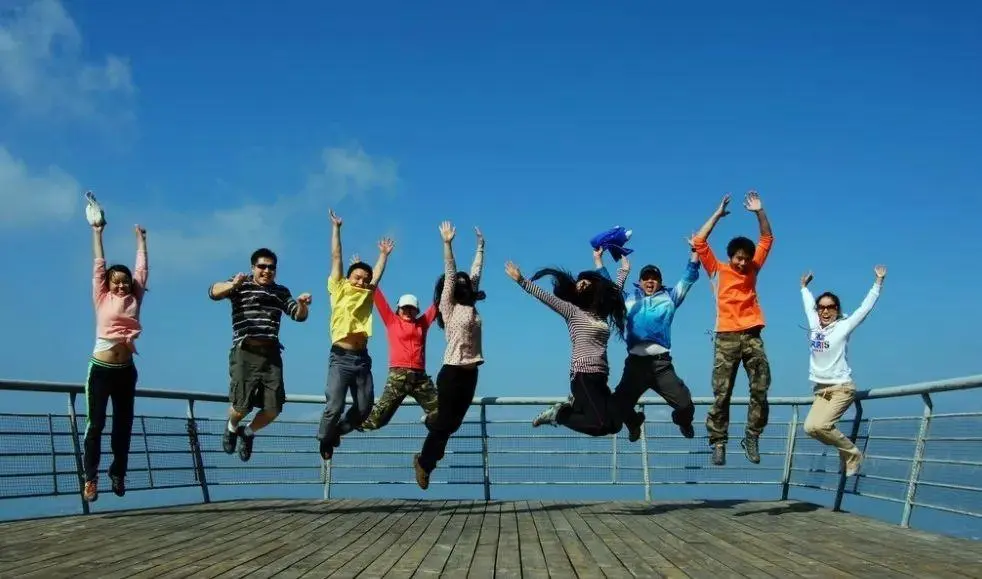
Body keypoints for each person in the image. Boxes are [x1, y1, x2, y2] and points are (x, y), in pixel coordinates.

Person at [691, 190, 773, 466]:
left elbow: (767, 239)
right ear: (730, 257)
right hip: (725, 336)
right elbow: (699, 241)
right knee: (722, 392)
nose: (742, 262)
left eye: (746, 258)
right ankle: (718, 441)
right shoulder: (717, 269)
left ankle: (752, 436)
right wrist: (717, 215)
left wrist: (759, 212)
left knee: (760, 387)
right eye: (738, 258)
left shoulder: (753, 270)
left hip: (752, 334)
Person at [505, 257, 627, 437]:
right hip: (583, 374)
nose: (582, 285)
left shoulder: (601, 314)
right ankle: (559, 414)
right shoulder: (573, 312)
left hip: (601, 375)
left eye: (586, 283)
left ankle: (575, 405)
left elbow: (614, 292)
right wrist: (522, 280)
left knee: (615, 425)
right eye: (580, 284)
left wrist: (623, 271)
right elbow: (546, 298)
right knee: (599, 424)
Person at [209, 248, 311, 463]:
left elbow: (298, 316)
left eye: (271, 267)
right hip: (245, 352)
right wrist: (233, 285)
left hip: (271, 355)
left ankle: (247, 433)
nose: (267, 271)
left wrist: (302, 304)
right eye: (262, 266)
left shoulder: (280, 291)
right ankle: (231, 427)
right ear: (253, 267)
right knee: (241, 406)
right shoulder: (241, 283)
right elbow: (213, 292)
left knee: (273, 409)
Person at [597, 241, 700, 443]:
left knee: (685, 405)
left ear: (660, 282)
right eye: (646, 278)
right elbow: (608, 287)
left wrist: (695, 252)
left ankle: (683, 422)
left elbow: (688, 277)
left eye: (654, 278)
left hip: (661, 365)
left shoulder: (670, 297)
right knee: (617, 406)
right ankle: (634, 423)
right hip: (635, 366)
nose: (650, 281)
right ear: (640, 281)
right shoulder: (628, 299)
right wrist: (598, 260)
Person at [413, 222, 485, 490]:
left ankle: (432, 427)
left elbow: (475, 273)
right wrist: (447, 244)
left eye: (467, 283)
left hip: (471, 373)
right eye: (460, 283)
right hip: (452, 372)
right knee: (444, 424)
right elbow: (452, 273)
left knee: (452, 425)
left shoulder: (471, 305)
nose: (464, 283)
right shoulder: (449, 306)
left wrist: (481, 247)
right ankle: (424, 462)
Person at [317, 209, 393, 460]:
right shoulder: (338, 288)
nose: (361, 282)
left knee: (364, 408)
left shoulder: (368, 294)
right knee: (334, 406)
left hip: (361, 359)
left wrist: (383, 255)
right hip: (340, 357)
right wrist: (336, 229)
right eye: (357, 277)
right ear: (348, 277)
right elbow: (336, 256)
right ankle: (325, 439)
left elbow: (377, 275)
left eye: (364, 279)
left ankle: (336, 432)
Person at [83, 222, 149, 502]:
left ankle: (118, 473)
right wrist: (97, 233)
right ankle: (90, 478)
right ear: (107, 284)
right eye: (116, 281)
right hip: (101, 371)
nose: (121, 285)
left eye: (125, 281)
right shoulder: (102, 297)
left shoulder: (135, 298)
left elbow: (142, 270)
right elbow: (99, 264)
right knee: (95, 425)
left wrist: (141, 240)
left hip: (125, 371)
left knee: (123, 426)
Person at [800, 265, 886, 476]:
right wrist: (804, 288)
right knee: (810, 428)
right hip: (821, 390)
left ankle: (853, 454)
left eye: (830, 307)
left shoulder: (843, 326)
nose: (825, 311)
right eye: (821, 307)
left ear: (837, 309)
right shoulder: (814, 325)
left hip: (841, 388)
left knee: (822, 426)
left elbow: (864, 309)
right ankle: (846, 452)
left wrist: (878, 282)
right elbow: (808, 305)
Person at [358, 282, 440, 432]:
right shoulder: (391, 320)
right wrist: (371, 278)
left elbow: (438, 305)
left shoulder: (422, 324)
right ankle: (342, 428)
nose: (408, 311)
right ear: (398, 309)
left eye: (412, 308)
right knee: (377, 420)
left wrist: (465, 292)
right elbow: (378, 295)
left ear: (417, 311)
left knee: (441, 411)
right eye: (404, 308)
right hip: (398, 376)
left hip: (420, 377)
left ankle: (429, 423)